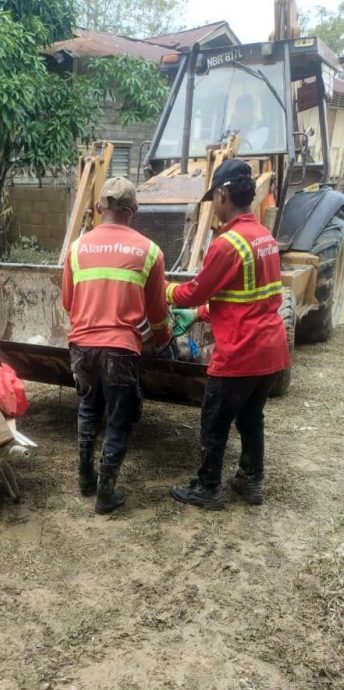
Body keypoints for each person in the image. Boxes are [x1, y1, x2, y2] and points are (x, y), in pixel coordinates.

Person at [167, 159, 289, 510]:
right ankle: (251, 483)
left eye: (214, 199)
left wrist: (163, 291)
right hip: (269, 350)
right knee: (251, 418)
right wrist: (200, 315)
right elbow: (243, 297)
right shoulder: (265, 238)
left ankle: (207, 488)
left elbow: (194, 291)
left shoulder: (227, 243)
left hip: (241, 351)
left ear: (223, 194)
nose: (214, 208)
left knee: (215, 419)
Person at [62, 177, 173, 514]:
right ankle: (105, 493)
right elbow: (157, 314)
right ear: (133, 211)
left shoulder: (77, 249)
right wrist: (164, 343)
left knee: (88, 408)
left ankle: (85, 477)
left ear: (100, 209)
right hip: (121, 350)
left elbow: (68, 301)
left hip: (81, 345)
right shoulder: (150, 251)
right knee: (118, 418)